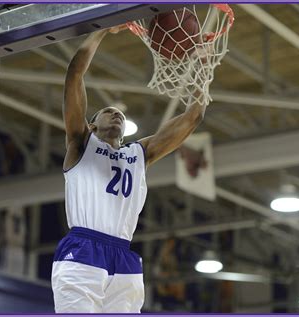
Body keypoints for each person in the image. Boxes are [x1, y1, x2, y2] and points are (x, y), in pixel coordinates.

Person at [51, 27, 206, 313]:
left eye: (120, 114)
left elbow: (193, 117)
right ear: (92, 124)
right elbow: (74, 75)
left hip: (124, 256)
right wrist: (100, 31)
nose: (117, 114)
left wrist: (201, 68)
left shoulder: (139, 154)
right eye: (108, 111)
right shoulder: (80, 143)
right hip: (82, 248)